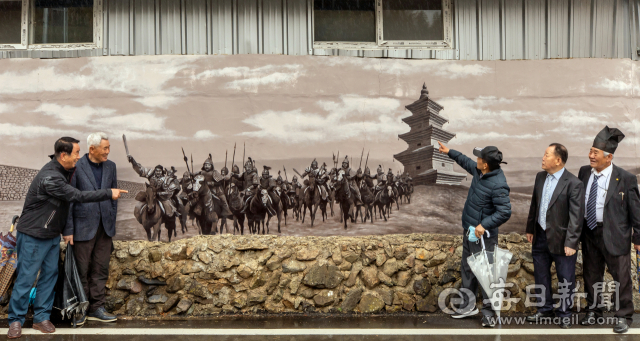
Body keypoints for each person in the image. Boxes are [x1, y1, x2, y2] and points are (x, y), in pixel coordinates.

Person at [7, 137, 126, 339]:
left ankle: (41, 318)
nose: (79, 158)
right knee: (26, 278)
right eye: (76, 153)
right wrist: (108, 193)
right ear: (64, 155)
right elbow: (77, 196)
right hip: (34, 234)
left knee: (49, 277)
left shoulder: (64, 170)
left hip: (52, 234)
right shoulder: (51, 177)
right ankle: (15, 321)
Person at [437, 142, 511, 328]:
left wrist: (483, 225)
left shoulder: (498, 184)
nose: (476, 160)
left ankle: (489, 314)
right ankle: (468, 306)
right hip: (470, 231)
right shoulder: (479, 172)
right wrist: (449, 152)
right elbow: (465, 161)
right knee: (468, 268)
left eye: (480, 158)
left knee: (485, 273)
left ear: (485, 164)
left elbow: (504, 212)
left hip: (483, 236)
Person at [578, 126, 640, 334]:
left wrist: (638, 237)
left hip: (615, 233)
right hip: (590, 232)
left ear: (609, 156)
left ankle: (624, 316)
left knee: (621, 278)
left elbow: (636, 211)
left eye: (595, 153)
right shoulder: (584, 172)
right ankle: (594, 311)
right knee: (591, 274)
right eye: (590, 151)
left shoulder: (625, 178)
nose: (590, 156)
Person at [62, 133, 119, 326]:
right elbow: (69, 200)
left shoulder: (111, 166)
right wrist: (68, 229)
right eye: (105, 148)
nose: (108, 152)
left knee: (100, 269)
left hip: (105, 228)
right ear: (92, 149)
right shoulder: (76, 166)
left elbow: (113, 196)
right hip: (82, 228)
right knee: (81, 270)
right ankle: (80, 309)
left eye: (109, 147)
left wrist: (111, 217)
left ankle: (97, 308)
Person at [525, 143, 584, 329]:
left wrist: (572, 242)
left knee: (565, 277)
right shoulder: (540, 177)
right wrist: (530, 228)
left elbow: (576, 217)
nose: (543, 158)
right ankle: (544, 309)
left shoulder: (574, 183)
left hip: (562, 239)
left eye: (547, 155)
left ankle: (565, 314)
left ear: (558, 160)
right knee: (541, 275)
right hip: (540, 235)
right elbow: (535, 204)